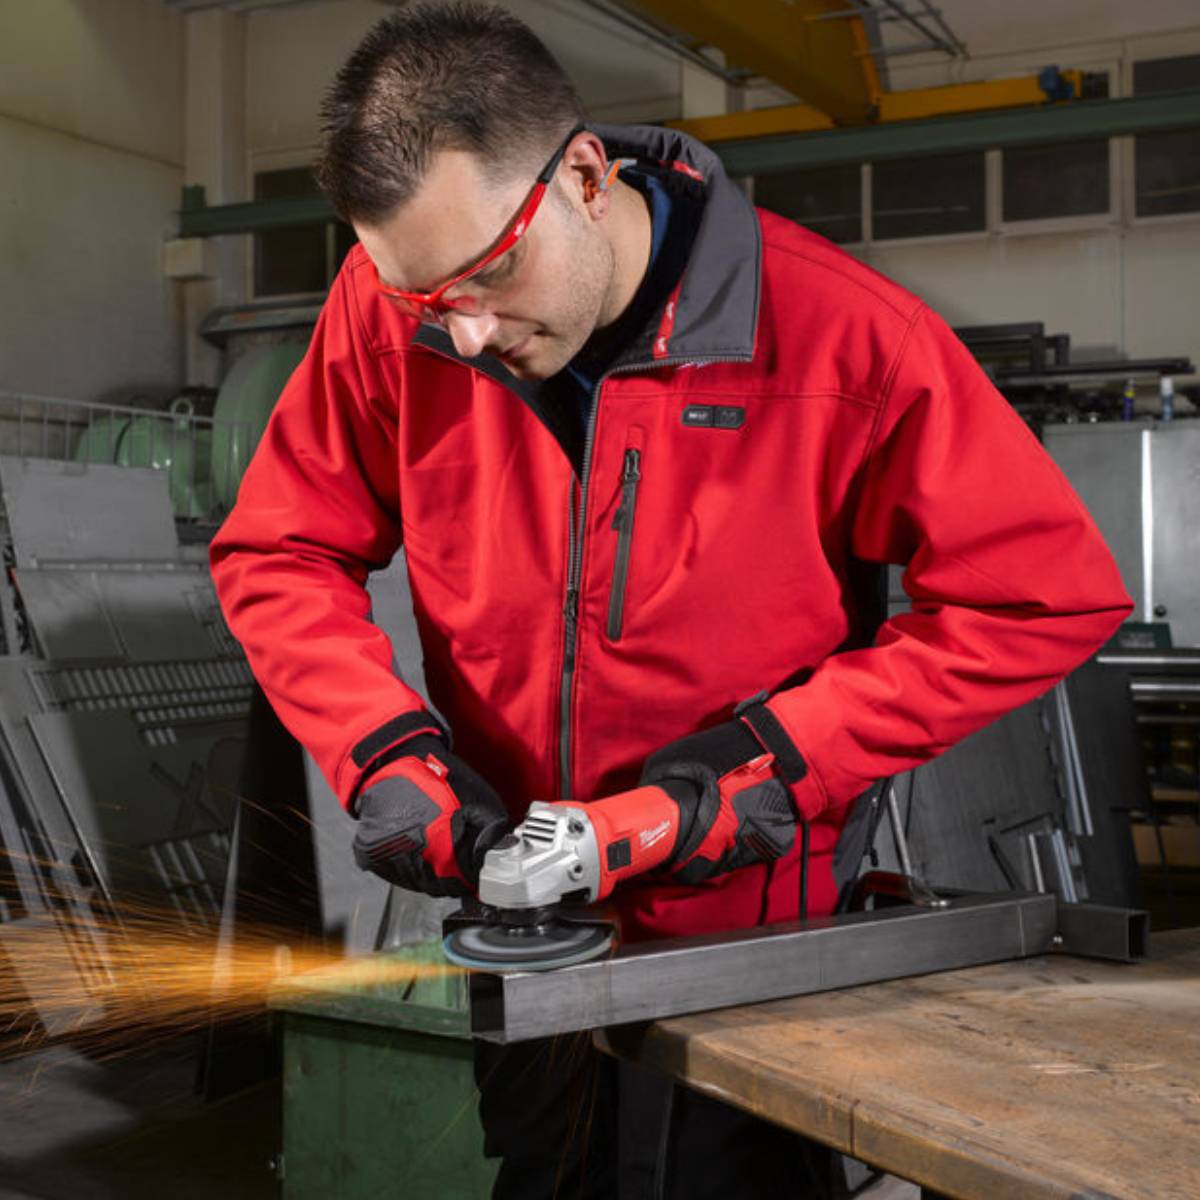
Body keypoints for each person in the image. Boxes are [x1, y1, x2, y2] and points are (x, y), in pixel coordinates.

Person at [210, 4, 1132, 1196]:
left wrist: (769, 768)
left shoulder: (846, 339)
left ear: (586, 177)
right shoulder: (390, 314)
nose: (468, 336)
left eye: (490, 274)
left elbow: (1042, 597)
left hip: (753, 952)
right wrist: (383, 753)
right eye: (424, 300)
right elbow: (280, 550)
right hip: (532, 950)